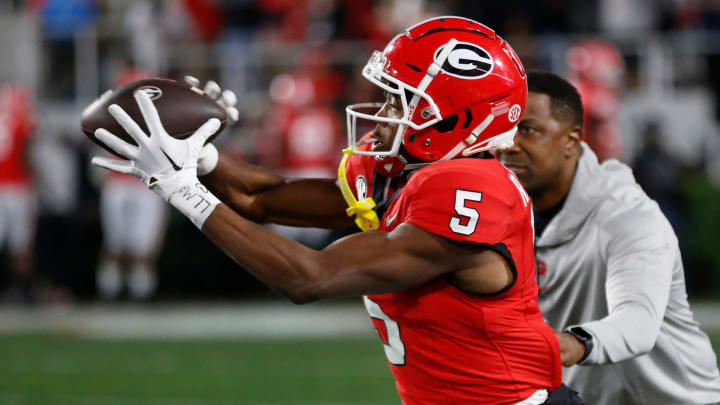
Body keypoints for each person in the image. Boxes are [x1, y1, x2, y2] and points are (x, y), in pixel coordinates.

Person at [91, 17, 581, 405]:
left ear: (457, 116)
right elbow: (262, 198)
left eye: (403, 101)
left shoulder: (473, 190)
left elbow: (311, 277)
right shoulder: (410, 176)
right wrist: (202, 156)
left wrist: (179, 189)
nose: (385, 113)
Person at [496, 71, 720, 405]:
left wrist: (568, 345)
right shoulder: (501, 215)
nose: (510, 145)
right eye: (504, 131)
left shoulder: (628, 216)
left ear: (572, 141)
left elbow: (637, 322)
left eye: (528, 130)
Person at [0, 81, 38, 303]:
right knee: (21, 244)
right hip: (16, 187)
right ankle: (22, 290)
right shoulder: (19, 118)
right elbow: (25, 151)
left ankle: (14, 289)